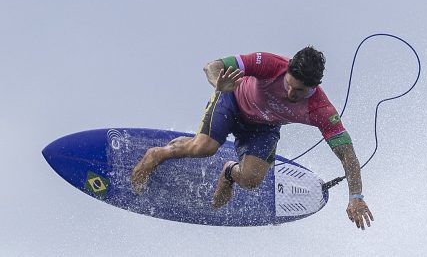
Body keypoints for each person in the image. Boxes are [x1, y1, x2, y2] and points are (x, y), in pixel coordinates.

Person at [131, 47, 374, 230]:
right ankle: (157, 154)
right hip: (232, 101)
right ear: (287, 70)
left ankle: (228, 172)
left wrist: (356, 197)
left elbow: (347, 154)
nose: (291, 93)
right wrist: (219, 82)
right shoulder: (270, 64)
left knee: (250, 180)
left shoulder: (320, 109)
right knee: (204, 147)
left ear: (314, 87)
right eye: (290, 84)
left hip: (263, 128)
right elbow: (212, 65)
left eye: (299, 91)